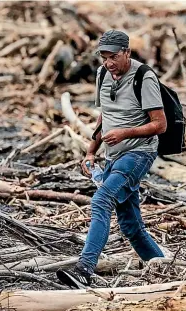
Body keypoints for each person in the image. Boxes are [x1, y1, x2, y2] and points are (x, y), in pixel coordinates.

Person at [57, 30, 167, 289]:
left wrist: (125, 133)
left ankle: (84, 268)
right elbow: (103, 116)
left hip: (139, 154)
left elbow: (160, 125)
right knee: (131, 226)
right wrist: (91, 151)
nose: (108, 63)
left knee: (102, 199)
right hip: (112, 156)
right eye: (104, 57)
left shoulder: (144, 77)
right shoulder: (102, 74)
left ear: (127, 53)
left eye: (114, 57)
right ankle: (163, 270)